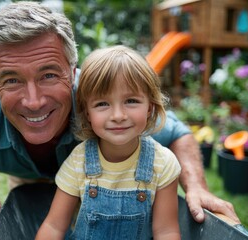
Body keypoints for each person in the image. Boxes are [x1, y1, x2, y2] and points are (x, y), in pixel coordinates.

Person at [0, 1, 239, 227]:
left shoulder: (104, 103)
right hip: (31, 187)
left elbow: (178, 134)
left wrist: (196, 186)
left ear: (73, 69)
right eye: (11, 80)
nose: (33, 101)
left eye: (50, 75)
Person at [36, 45, 181, 240]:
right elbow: (54, 226)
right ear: (87, 113)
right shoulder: (80, 161)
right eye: (102, 104)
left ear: (150, 107)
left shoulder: (162, 164)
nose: (118, 116)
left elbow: (166, 231)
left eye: (131, 101)